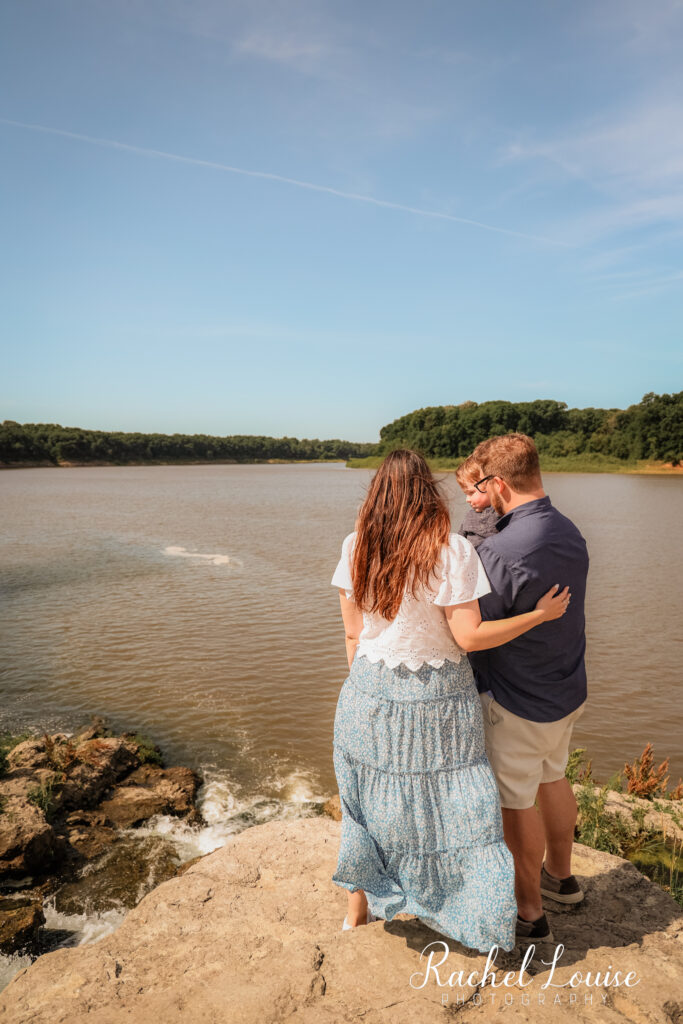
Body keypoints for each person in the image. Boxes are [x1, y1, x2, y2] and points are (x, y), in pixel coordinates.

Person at [330, 448, 571, 952]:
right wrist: (539, 616)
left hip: (367, 694)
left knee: (367, 802)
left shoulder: (355, 545)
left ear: (376, 496)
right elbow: (470, 637)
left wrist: (367, 695)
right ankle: (473, 918)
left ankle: (358, 910)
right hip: (437, 699)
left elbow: (353, 636)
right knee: (458, 809)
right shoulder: (450, 551)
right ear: (427, 495)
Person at [467, 433, 589, 944]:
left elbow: (475, 636)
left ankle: (530, 913)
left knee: (515, 802)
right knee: (553, 776)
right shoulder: (570, 531)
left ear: (497, 483)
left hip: (517, 699)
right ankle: (563, 877)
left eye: (481, 486)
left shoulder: (499, 549)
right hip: (566, 686)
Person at [455, 455, 501, 549]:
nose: (467, 499)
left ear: (493, 485)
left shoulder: (506, 514)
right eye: (466, 494)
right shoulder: (469, 517)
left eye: (471, 493)